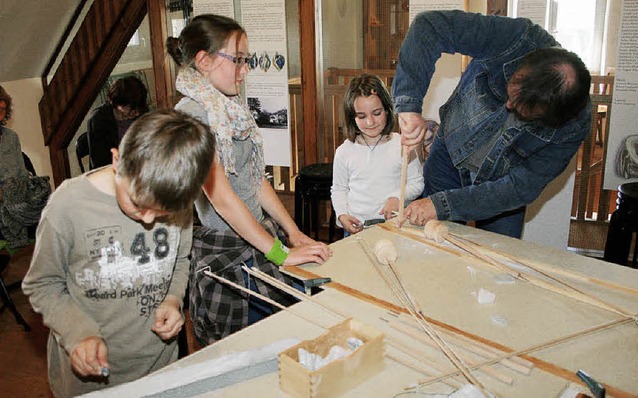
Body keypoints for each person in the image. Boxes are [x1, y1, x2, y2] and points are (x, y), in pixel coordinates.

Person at [22, 110, 216, 397]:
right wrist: (78, 333)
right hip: (90, 376)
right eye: (138, 204)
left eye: (162, 212)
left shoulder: (176, 198)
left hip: (157, 365)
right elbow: (42, 284)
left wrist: (173, 300)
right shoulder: (68, 205)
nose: (149, 220)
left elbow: (180, 262)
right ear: (117, 161)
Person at [166, 14, 332, 346]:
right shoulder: (195, 116)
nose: (245, 70)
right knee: (242, 349)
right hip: (226, 252)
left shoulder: (227, 108)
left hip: (256, 241)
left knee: (282, 337)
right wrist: (281, 255)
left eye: (247, 61)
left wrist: (294, 233)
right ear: (205, 60)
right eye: (238, 60)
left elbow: (255, 179)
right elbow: (223, 199)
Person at [392, 10, 592, 238]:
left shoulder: (573, 126)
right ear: (525, 62)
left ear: (553, 118)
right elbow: (430, 26)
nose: (507, 105)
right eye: (510, 89)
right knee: (433, 247)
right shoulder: (516, 38)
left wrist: (443, 205)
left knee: (498, 261)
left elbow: (518, 188)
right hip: (449, 156)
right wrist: (408, 105)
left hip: (500, 189)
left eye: (522, 110)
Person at [331, 74, 423, 236]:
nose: (370, 122)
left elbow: (417, 183)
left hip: (394, 227)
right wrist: (342, 215)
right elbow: (339, 189)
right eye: (362, 116)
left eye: (377, 113)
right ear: (352, 117)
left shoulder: (404, 145)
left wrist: (397, 198)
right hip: (357, 229)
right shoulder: (344, 152)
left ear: (388, 110)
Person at [0, 84, 51, 250]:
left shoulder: (11, 137)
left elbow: (22, 174)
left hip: (14, 196)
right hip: (4, 199)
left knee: (44, 196)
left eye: (2, 109)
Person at [87, 76, 149, 169]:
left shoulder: (141, 112)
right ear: (117, 103)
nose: (136, 113)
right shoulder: (98, 120)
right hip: (114, 171)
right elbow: (100, 164)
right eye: (129, 108)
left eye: (138, 109)